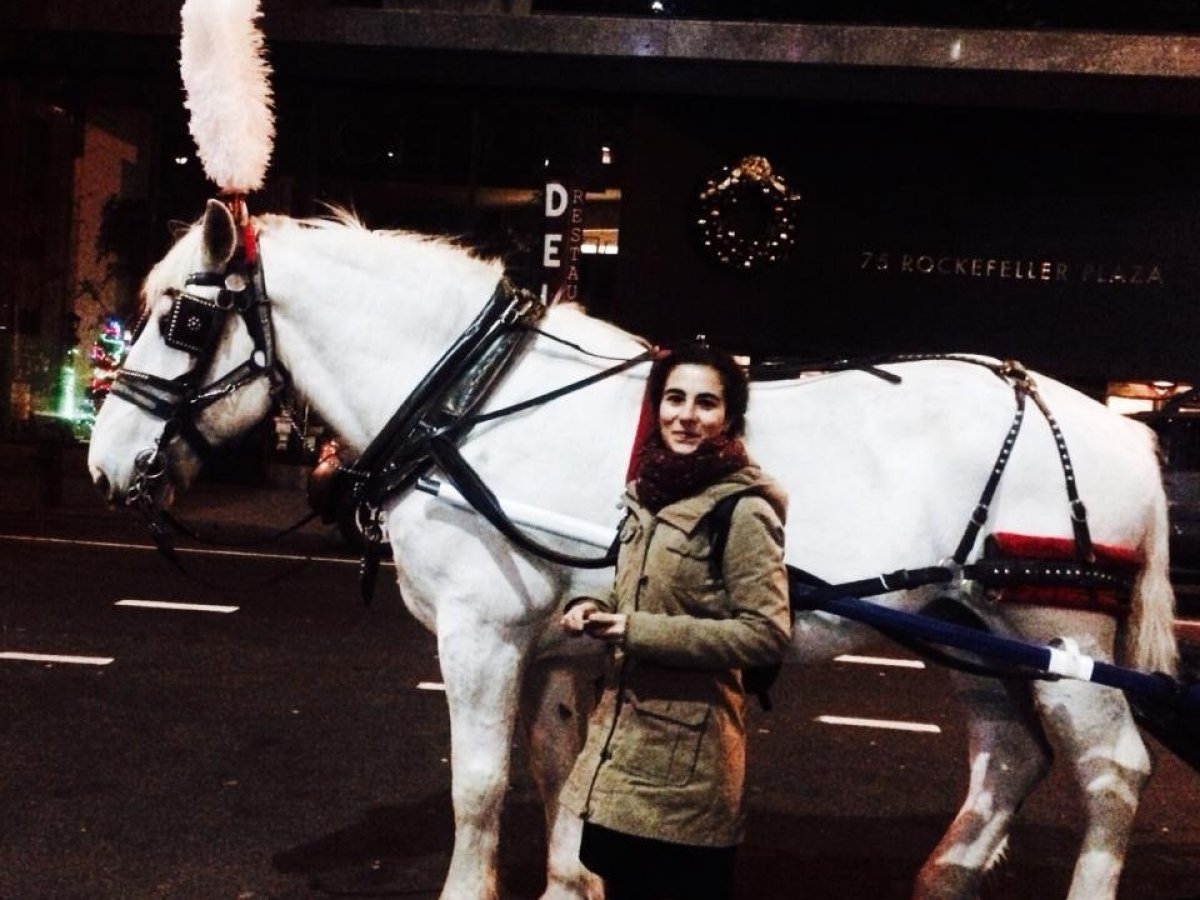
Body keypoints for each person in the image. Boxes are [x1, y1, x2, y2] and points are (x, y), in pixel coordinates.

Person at [558, 341, 792, 900]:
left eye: (706, 403)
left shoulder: (742, 508)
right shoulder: (646, 493)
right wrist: (590, 606)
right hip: (619, 757)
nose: (685, 416)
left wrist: (636, 631)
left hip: (689, 770)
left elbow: (765, 633)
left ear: (729, 418)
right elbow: (631, 585)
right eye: (674, 398)